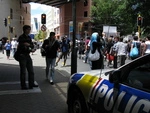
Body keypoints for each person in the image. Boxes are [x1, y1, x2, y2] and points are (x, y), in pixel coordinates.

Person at [17, 25, 38, 90]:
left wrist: (29, 46)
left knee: (31, 71)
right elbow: (21, 46)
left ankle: (31, 84)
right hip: (22, 55)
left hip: (27, 55)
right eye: (28, 29)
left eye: (30, 29)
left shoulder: (29, 37)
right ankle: (23, 85)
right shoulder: (21, 37)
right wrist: (27, 46)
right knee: (23, 72)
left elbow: (31, 45)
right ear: (25, 30)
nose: (29, 31)